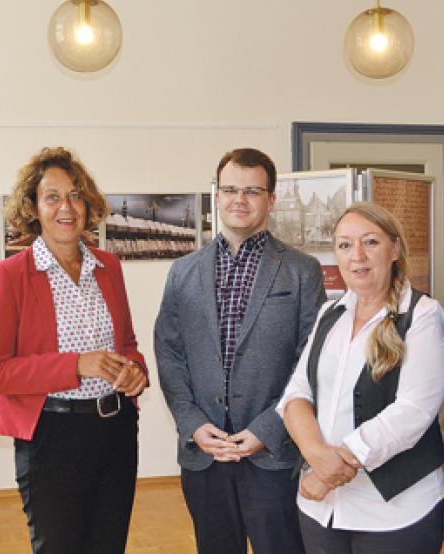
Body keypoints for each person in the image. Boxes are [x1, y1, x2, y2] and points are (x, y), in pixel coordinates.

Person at [0, 146, 148, 554]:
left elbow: (127, 345)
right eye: (52, 197)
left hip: (116, 431)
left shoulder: (109, 267)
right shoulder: (9, 276)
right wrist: (76, 365)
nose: (65, 207)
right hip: (51, 436)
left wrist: (137, 371)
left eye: (75, 195)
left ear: (88, 204)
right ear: (33, 207)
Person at [154, 147, 324, 554]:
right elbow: (169, 354)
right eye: (231, 189)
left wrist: (267, 429)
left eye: (252, 190)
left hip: (272, 453)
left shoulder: (302, 271)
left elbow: (311, 360)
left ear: (271, 198)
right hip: (204, 454)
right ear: (217, 193)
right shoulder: (183, 272)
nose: (240, 200)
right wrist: (193, 423)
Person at [278, 202, 444, 553]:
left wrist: (331, 468)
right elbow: (297, 391)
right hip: (320, 509)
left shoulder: (422, 315)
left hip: (395, 511)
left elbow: (413, 412)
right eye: (344, 245)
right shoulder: (331, 312)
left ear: (395, 249)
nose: (357, 255)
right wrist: (315, 454)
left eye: (370, 242)